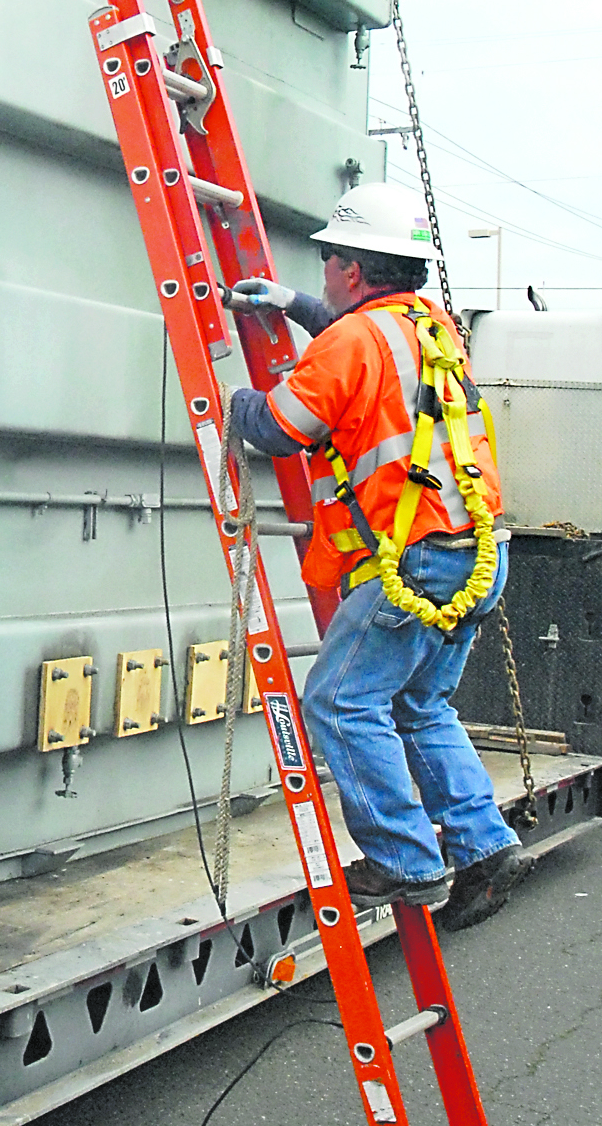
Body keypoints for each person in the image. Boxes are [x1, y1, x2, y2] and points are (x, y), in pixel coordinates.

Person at [226, 185, 528, 931]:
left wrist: (233, 404)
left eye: (328, 261)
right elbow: (357, 341)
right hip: (481, 555)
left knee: (336, 700)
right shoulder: (431, 326)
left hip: (418, 563)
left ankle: (405, 860)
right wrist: (295, 302)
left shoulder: (352, 341)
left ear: (354, 271)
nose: (324, 272)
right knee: (418, 704)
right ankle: (484, 847)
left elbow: (280, 428)